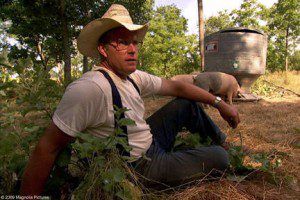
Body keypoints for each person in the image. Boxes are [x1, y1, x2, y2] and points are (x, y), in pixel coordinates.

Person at [20, 4, 240, 195]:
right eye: (122, 42)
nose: (132, 50)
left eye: (134, 42)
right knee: (219, 159)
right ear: (103, 50)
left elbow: (177, 86)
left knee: (185, 105)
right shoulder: (89, 89)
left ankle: (222, 141)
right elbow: (46, 148)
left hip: (149, 142)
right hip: (138, 169)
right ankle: (216, 153)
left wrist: (219, 103)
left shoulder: (133, 76)